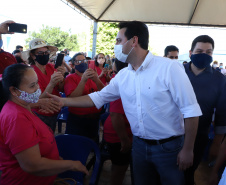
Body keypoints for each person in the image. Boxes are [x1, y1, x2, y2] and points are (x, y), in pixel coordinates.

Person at [48, 21, 202, 185]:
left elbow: (191, 110)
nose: (115, 45)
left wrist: (187, 149)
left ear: (134, 41)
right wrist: (63, 101)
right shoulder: (123, 75)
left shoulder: (168, 68)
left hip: (169, 148)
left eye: (118, 41)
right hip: (139, 146)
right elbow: (98, 97)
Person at [0, 63, 88, 185]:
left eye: (37, 83)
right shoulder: (16, 118)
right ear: (14, 90)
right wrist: (72, 165)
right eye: (32, 86)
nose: (38, 88)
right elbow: (33, 165)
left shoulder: (23, 107)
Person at [183, 35, 226, 185]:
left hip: (199, 136)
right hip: (171, 134)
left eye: (208, 52)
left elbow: (222, 113)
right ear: (190, 53)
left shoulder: (219, 79)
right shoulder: (177, 73)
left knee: (188, 173)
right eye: (199, 50)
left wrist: (216, 143)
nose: (204, 54)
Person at [21, 38, 66, 132]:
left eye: (46, 52)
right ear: (33, 56)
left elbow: (60, 88)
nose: (44, 55)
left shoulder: (51, 67)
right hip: (41, 114)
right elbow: (38, 99)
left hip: (54, 110)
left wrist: (62, 78)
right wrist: (51, 83)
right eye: (41, 53)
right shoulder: (31, 73)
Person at [103, 58, 132, 185]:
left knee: (119, 166)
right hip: (118, 134)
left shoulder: (121, 79)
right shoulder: (122, 81)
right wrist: (124, 140)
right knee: (119, 169)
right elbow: (115, 115)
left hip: (121, 131)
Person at [64, 52, 105, 142]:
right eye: (79, 61)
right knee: (76, 145)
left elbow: (105, 93)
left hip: (94, 118)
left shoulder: (92, 76)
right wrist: (83, 80)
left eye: (84, 60)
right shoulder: (70, 78)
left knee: (92, 143)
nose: (82, 63)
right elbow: (72, 98)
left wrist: (97, 79)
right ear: (73, 65)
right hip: (77, 119)